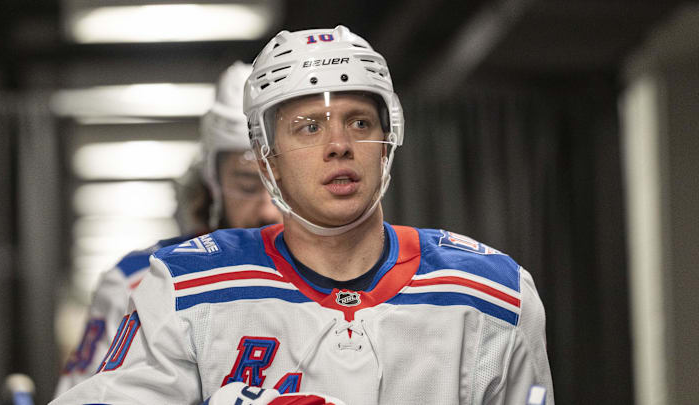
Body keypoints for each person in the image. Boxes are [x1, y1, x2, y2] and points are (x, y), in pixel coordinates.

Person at [53, 26, 553, 404]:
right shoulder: (184, 288)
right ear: (266, 155)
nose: (339, 145)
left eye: (359, 122)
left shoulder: (494, 294)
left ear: (388, 140)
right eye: (308, 127)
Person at [53, 61, 281, 397]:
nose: (267, 208)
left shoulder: (351, 284)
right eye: (247, 184)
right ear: (212, 182)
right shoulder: (137, 280)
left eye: (283, 186)